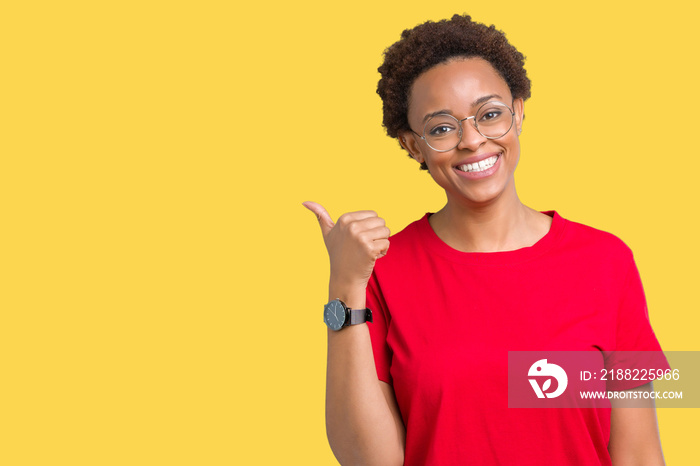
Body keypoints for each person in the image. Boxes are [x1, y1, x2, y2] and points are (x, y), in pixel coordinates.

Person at [304, 14, 669, 466]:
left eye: (490, 114)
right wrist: (343, 285)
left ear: (518, 112)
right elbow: (367, 460)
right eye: (441, 128)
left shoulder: (605, 261)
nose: (472, 140)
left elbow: (639, 455)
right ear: (412, 145)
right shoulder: (381, 271)